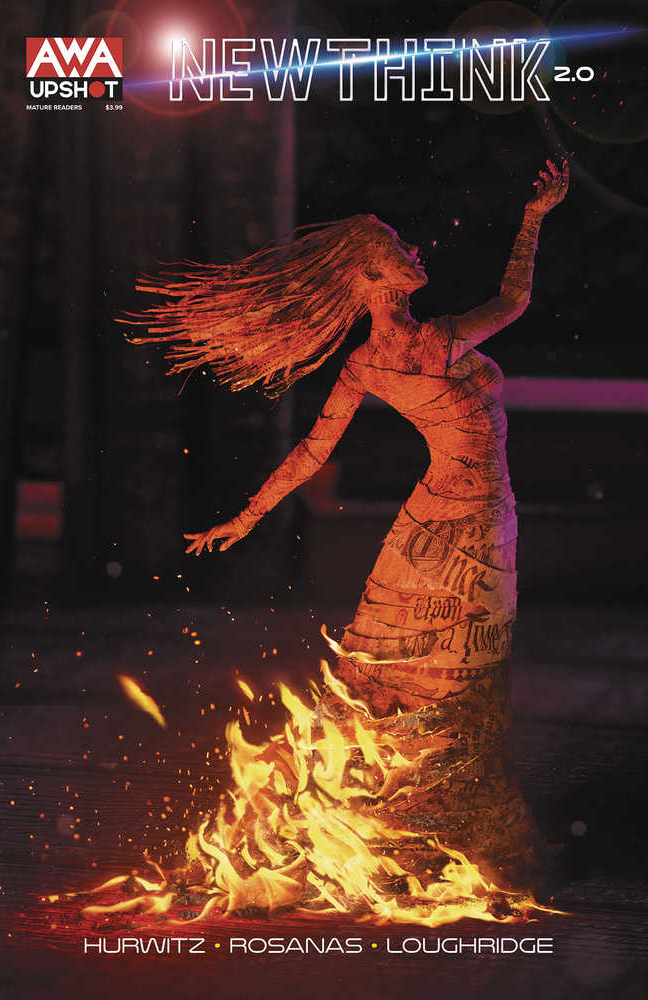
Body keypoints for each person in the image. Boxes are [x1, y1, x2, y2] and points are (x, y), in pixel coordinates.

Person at [131, 159, 569, 885]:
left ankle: (400, 824)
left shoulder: (366, 363)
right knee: (448, 671)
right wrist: (533, 219)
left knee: (400, 665)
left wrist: (247, 515)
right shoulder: (433, 342)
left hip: (431, 518)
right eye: (394, 248)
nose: (412, 251)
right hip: (475, 517)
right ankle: (424, 830)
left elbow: (310, 453)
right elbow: (514, 300)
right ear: (369, 277)